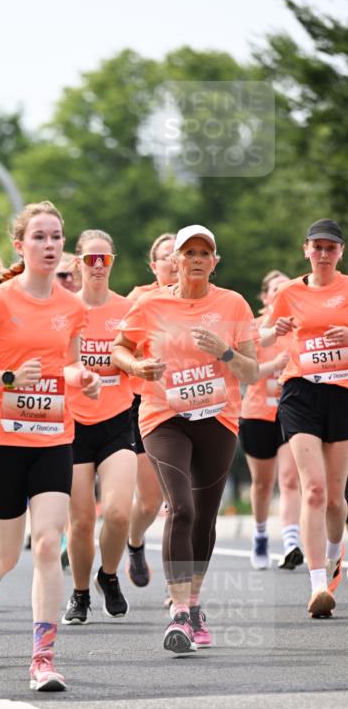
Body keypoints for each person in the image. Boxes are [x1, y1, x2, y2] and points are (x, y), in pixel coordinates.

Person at [0, 200, 101, 691]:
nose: (50, 245)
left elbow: (72, 365)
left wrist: (85, 379)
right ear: (20, 245)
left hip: (55, 438)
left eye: (56, 236)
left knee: (46, 545)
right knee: (5, 553)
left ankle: (42, 657)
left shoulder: (72, 306)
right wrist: (9, 377)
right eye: (39, 237)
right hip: (1, 441)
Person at [113, 224, 258, 654]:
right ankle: (178, 613)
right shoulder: (150, 303)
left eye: (204, 253)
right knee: (181, 507)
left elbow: (252, 371)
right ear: (173, 260)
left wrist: (225, 353)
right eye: (188, 252)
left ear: (215, 262)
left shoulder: (232, 304)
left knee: (206, 519)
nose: (196, 259)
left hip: (218, 418)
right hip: (163, 416)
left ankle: (194, 605)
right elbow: (119, 347)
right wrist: (136, 368)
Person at [266, 218, 348, 617]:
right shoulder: (287, 293)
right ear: (305, 250)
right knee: (313, 489)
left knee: (335, 499)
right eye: (316, 247)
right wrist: (274, 328)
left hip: (343, 393)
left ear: (340, 253)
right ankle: (318, 586)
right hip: (300, 391)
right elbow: (263, 337)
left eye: (330, 248)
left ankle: (334, 556)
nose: (323, 254)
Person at [63, 229, 135, 624]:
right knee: (81, 520)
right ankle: (78, 593)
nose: (97, 266)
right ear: (77, 263)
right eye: (90, 259)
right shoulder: (64, 309)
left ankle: (108, 575)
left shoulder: (127, 309)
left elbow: (140, 354)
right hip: (72, 426)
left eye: (103, 259)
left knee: (120, 512)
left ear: (113, 262)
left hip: (116, 421)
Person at [239, 270, 302, 570]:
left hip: (291, 413)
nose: (281, 295)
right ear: (264, 297)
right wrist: (273, 366)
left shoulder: (300, 327)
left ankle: (291, 542)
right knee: (263, 484)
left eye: (286, 290)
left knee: (290, 479)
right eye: (275, 290)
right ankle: (261, 534)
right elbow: (241, 370)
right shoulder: (253, 328)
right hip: (256, 414)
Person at [124, 233, 177, 589]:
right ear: (153, 265)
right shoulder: (139, 299)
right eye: (165, 256)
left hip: (189, 407)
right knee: (149, 500)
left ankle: (180, 589)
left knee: (180, 501)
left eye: (180, 254)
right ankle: (134, 542)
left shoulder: (204, 300)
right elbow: (119, 348)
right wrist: (139, 365)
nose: (174, 261)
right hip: (144, 404)